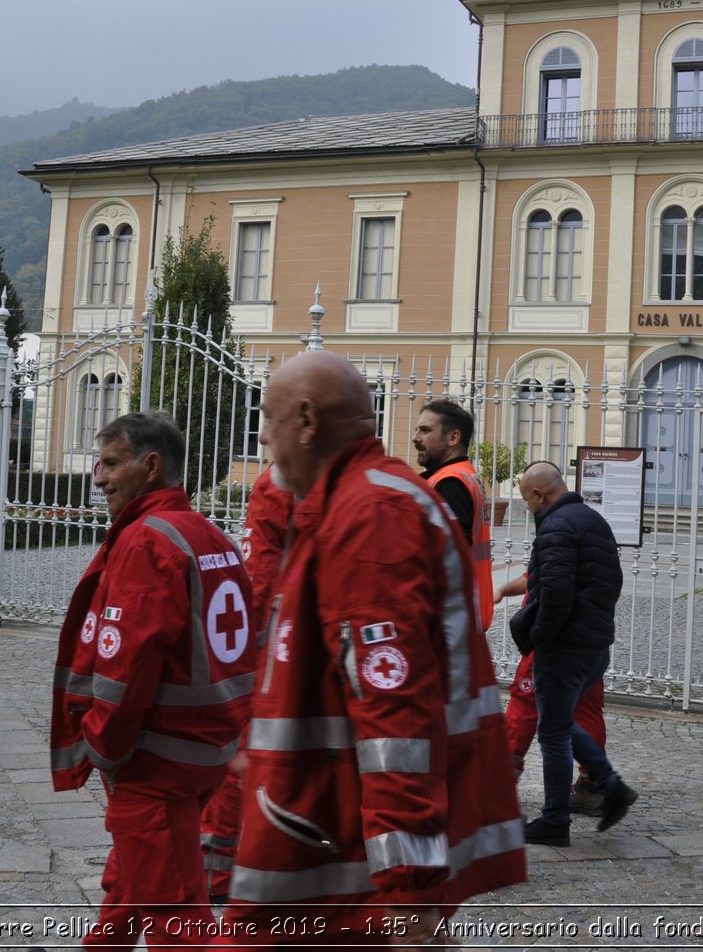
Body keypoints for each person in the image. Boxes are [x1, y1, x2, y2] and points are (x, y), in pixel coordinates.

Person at [223, 350, 525, 945]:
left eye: (267, 416)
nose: (260, 436)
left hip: (345, 856)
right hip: (321, 828)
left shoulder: (370, 515)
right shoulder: (354, 499)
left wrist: (408, 890)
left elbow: (395, 713)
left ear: (307, 421)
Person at [50, 411, 256, 950]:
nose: (98, 476)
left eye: (112, 463)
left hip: (155, 759)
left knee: (176, 916)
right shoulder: (211, 534)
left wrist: (103, 746)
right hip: (206, 750)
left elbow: (128, 666)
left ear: (152, 465)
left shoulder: (146, 541)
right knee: (130, 881)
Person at [509, 461, 637, 848]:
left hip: (563, 647)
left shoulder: (556, 526)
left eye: (526, 501)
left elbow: (555, 593)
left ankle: (554, 821)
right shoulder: (593, 520)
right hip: (593, 644)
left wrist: (538, 638)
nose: (527, 509)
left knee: (552, 734)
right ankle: (611, 787)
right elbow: (610, 581)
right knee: (561, 722)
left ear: (539, 494)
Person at [199, 463, 294, 904]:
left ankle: (220, 868)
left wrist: (245, 642)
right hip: (306, 636)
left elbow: (260, 562)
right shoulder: (353, 477)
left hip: (275, 637)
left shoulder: (280, 479)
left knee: (242, 750)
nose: (260, 436)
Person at [494, 572, 608, 816]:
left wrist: (540, 632)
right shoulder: (599, 538)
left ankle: (499, 785)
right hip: (588, 639)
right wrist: (504, 590)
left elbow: (546, 575)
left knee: (524, 705)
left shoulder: (559, 536)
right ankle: (593, 786)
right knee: (586, 708)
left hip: (553, 638)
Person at [413, 398, 496, 628]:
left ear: (453, 437)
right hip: (465, 612)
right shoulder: (465, 475)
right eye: (417, 429)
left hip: (449, 619)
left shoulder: (450, 483)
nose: (415, 438)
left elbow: (447, 556)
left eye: (425, 430)